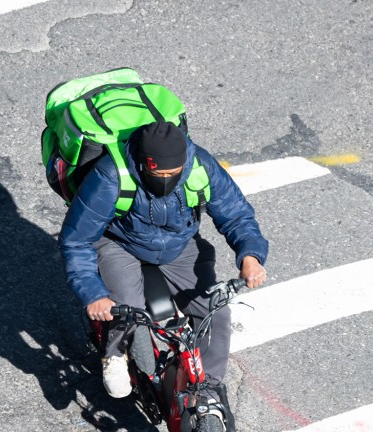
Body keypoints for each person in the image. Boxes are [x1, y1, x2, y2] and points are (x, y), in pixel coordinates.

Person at [59, 121, 268, 398]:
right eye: (159, 172)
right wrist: (93, 295)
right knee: (125, 309)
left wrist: (251, 255)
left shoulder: (199, 165)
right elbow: (77, 239)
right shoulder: (111, 175)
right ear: (144, 163)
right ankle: (114, 354)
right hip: (120, 244)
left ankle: (208, 389)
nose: (167, 178)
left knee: (215, 311)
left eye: (174, 171)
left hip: (179, 245)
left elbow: (236, 214)